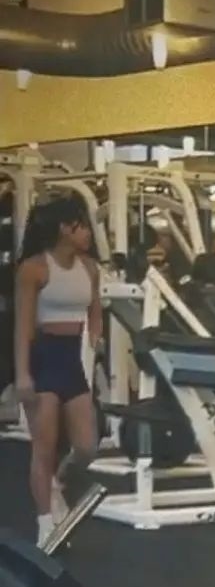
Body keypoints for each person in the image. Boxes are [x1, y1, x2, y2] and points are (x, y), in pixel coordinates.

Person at [14, 195, 102, 546]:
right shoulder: (34, 268)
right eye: (83, 226)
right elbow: (23, 327)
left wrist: (96, 338)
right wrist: (23, 375)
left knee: (87, 447)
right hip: (43, 359)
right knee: (44, 449)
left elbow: (95, 310)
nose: (88, 233)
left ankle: (57, 483)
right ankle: (44, 523)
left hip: (71, 361)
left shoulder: (90, 268)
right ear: (65, 228)